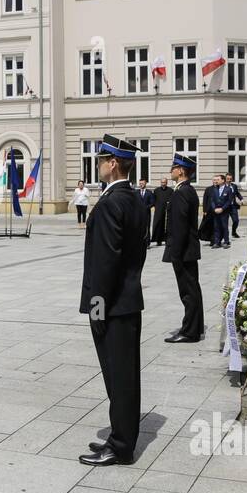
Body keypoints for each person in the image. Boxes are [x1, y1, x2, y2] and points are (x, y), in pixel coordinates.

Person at [78, 135, 149, 467]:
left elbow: (106, 261)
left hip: (112, 304)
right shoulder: (135, 198)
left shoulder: (110, 203)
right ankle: (119, 435)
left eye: (102, 159)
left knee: (118, 376)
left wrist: (96, 307)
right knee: (124, 374)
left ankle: (121, 446)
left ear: (114, 164)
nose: (99, 163)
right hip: (128, 299)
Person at [163, 153, 204, 343]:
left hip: (183, 252)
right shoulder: (188, 191)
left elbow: (179, 228)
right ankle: (194, 326)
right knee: (192, 289)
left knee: (188, 292)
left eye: (173, 168)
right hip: (188, 250)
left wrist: (175, 255)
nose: (171, 171)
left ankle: (189, 332)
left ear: (181, 171)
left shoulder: (180, 193)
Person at [150, 176, 171, 246]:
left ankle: (167, 239)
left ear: (167, 183)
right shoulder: (156, 190)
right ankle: (158, 240)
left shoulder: (170, 190)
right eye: (162, 182)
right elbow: (153, 200)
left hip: (167, 210)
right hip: (158, 210)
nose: (163, 184)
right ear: (160, 183)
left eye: (164, 182)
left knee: (167, 226)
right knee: (158, 225)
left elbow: (172, 200)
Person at [225, 173, 243, 239]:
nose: (229, 180)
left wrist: (241, 199)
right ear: (225, 179)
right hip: (225, 207)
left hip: (233, 206)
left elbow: (237, 193)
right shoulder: (222, 186)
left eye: (230, 179)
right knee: (225, 223)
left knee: (236, 220)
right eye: (228, 179)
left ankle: (233, 232)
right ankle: (225, 235)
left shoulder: (234, 186)